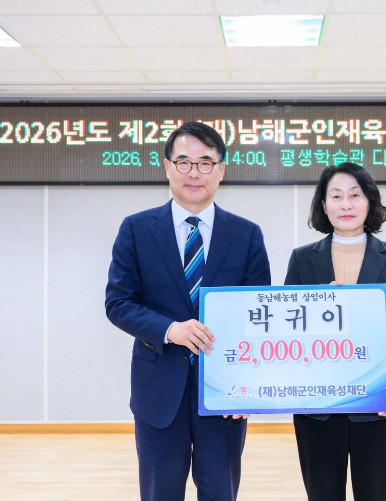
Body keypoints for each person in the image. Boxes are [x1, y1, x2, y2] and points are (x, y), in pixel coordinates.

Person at [105, 121, 271, 501]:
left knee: (220, 492)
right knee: (160, 493)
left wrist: (250, 386)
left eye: (205, 162)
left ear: (221, 170)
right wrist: (170, 330)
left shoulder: (246, 234)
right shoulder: (136, 229)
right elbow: (118, 303)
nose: (194, 173)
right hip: (158, 392)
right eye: (184, 162)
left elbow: (258, 313)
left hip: (225, 393)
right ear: (167, 167)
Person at [284, 163, 386, 501]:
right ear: (323, 204)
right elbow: (288, 330)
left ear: (370, 202)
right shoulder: (302, 259)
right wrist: (319, 309)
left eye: (355, 195)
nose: (345, 204)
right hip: (317, 407)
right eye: (336, 196)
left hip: (378, 403)